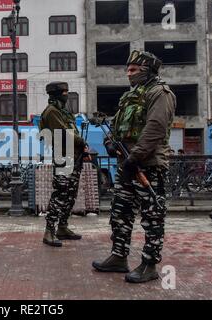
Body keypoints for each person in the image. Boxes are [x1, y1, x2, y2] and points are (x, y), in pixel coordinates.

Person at [92, 50, 176, 283]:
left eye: (133, 70)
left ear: (147, 71)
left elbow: (156, 128)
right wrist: (110, 144)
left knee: (152, 216)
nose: (128, 74)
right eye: (127, 70)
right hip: (127, 164)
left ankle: (149, 265)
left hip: (148, 165)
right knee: (120, 212)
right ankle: (119, 256)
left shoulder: (160, 93)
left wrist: (135, 157)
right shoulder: (130, 96)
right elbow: (116, 125)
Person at [39, 81, 90, 247]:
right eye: (64, 92)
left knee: (70, 193)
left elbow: (72, 131)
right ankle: (49, 231)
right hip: (63, 155)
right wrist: (82, 142)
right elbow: (63, 133)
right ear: (56, 94)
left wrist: (81, 147)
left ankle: (62, 226)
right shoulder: (52, 111)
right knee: (60, 193)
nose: (66, 95)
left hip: (73, 155)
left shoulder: (63, 111)